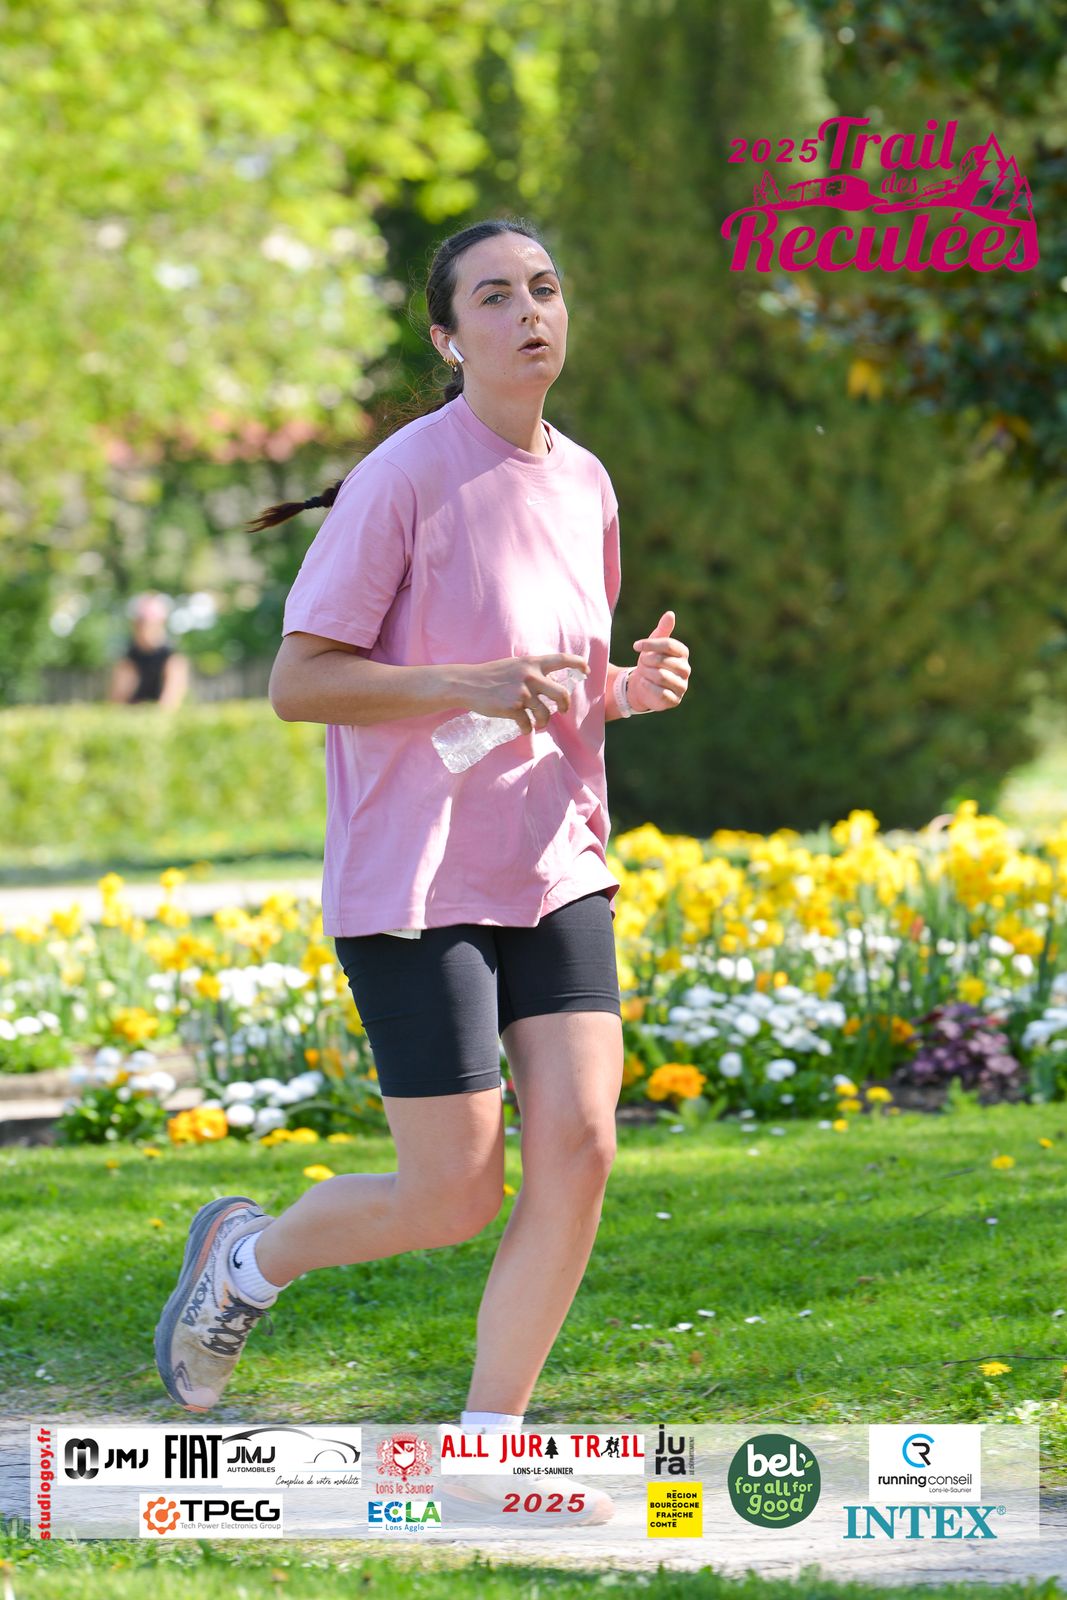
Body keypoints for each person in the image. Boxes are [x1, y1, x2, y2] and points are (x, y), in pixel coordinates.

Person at [153, 216, 691, 1521]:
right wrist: (461, 681)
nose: (529, 312)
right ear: (448, 338)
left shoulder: (585, 482)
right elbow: (299, 682)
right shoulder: (401, 478)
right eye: (494, 297)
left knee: (581, 1142)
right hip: (417, 879)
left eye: (544, 288)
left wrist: (624, 688)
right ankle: (245, 1263)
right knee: (453, 1192)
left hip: (554, 861)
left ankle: (486, 1447)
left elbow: (551, 681)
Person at [107, 592, 189, 708]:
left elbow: (170, 704)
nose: (144, 629)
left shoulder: (173, 660)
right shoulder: (128, 660)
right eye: (141, 623)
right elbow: (115, 704)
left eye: (148, 624)